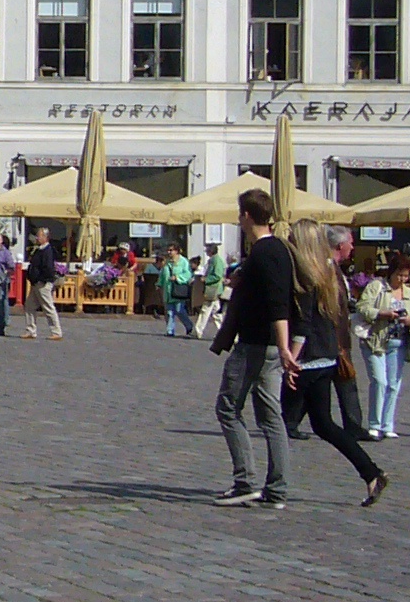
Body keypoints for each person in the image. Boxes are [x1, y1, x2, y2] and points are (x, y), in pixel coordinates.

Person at [285, 220, 387, 505]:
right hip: (325, 356)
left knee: (277, 421)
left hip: (308, 358)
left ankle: (269, 483)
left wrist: (290, 359)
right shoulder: (327, 272)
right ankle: (371, 473)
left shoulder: (307, 276)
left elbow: (304, 324)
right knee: (323, 424)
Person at [208, 189, 296, 509]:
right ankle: (277, 489)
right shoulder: (281, 249)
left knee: (228, 407)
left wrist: (285, 347)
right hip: (269, 347)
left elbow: (278, 302)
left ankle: (245, 480)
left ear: (246, 216)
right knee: (271, 416)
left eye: (239, 214)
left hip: (255, 345)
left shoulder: (263, 251)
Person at [356, 255, 410, 439]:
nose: (402, 279)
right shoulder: (376, 287)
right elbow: (362, 307)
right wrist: (382, 313)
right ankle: (374, 424)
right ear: (391, 272)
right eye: (399, 274)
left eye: (406, 275)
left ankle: (387, 424)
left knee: (393, 385)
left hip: (398, 343)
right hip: (375, 341)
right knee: (380, 381)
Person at [21, 228, 62, 340]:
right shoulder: (38, 249)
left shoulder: (48, 250)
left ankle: (56, 332)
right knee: (29, 306)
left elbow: (48, 269)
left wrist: (41, 279)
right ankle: (31, 330)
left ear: (45, 237)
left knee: (48, 307)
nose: (37, 238)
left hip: (43, 284)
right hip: (35, 284)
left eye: (39, 236)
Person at [159, 247, 196, 338]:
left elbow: (188, 274)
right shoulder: (167, 262)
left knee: (180, 310)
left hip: (178, 290)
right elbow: (162, 274)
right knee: (169, 311)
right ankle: (170, 330)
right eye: (168, 250)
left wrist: (177, 277)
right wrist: (159, 283)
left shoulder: (183, 262)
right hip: (168, 290)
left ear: (176, 251)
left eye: (171, 250)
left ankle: (189, 326)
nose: (169, 252)